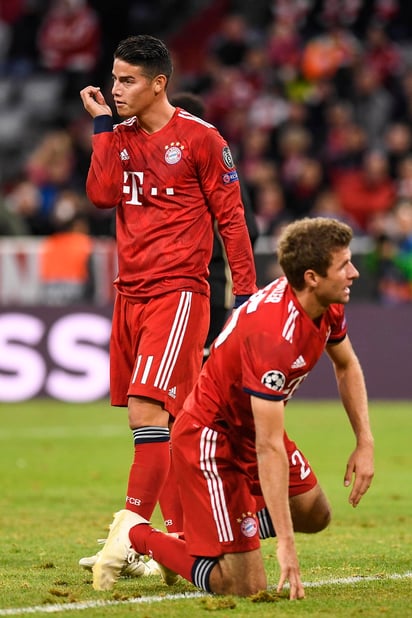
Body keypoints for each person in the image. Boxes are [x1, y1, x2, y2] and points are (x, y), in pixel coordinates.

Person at [90, 216, 375, 599]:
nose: (354, 273)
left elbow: (346, 364)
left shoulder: (325, 303)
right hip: (213, 439)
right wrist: (285, 544)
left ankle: (217, 534)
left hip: (251, 426)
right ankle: (139, 535)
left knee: (315, 512)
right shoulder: (273, 336)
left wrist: (364, 441)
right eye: (344, 265)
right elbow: (269, 447)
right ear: (312, 277)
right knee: (243, 585)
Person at [78, 34, 257, 574]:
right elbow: (102, 194)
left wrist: (245, 295)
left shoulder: (202, 139)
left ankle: (130, 534)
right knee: (175, 423)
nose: (117, 89)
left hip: (177, 291)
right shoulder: (119, 135)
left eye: (127, 80)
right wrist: (102, 127)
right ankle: (178, 533)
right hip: (127, 293)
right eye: (114, 78)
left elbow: (232, 218)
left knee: (147, 411)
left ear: (159, 83)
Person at [169, 91, 259, 357]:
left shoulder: (165, 170)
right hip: (211, 283)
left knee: (180, 363)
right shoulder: (216, 168)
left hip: (177, 283)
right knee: (206, 364)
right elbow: (248, 229)